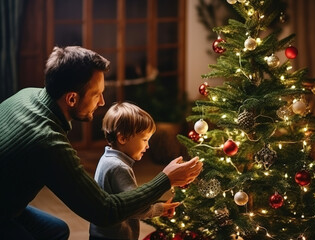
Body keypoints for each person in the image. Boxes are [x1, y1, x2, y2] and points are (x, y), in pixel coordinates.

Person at [0, 46, 202, 240]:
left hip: (9, 204)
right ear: (71, 99)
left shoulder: (25, 95)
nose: (103, 102)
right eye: (97, 94)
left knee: (56, 230)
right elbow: (104, 211)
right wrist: (165, 179)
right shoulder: (47, 142)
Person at [89, 102, 179, 240]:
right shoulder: (119, 167)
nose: (148, 146)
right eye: (144, 139)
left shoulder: (106, 158)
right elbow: (135, 207)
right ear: (122, 138)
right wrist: (159, 209)